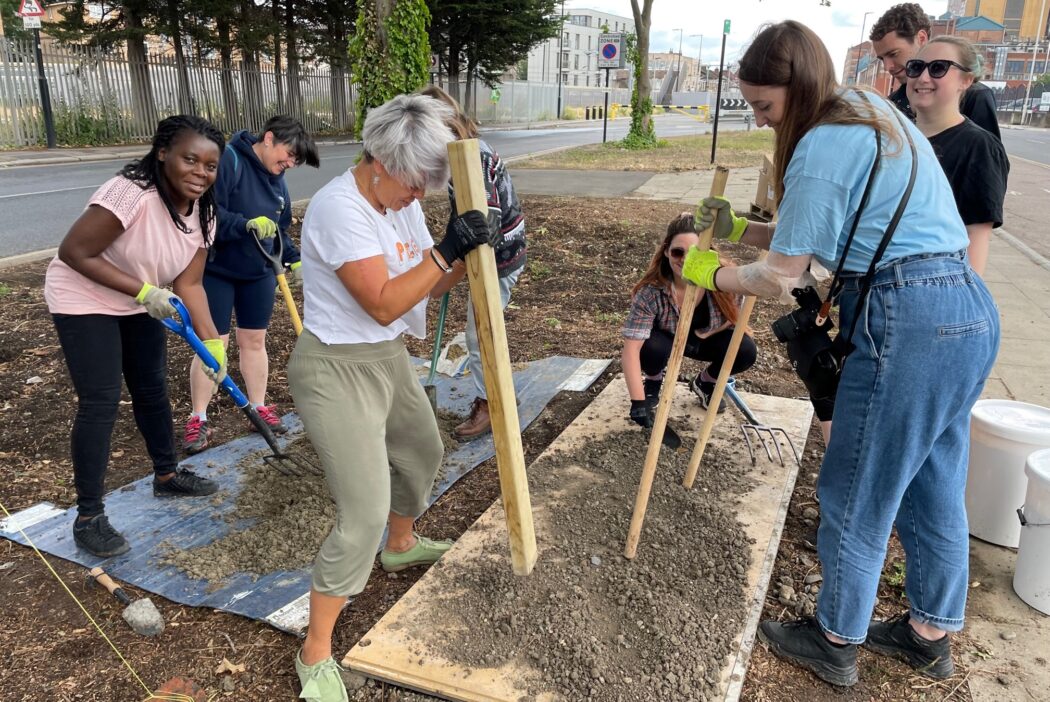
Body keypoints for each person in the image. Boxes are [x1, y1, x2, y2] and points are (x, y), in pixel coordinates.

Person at [681, 21, 999, 688]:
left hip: (907, 318)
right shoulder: (870, 111)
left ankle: (835, 640)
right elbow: (832, 231)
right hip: (964, 307)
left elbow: (783, 276)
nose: (762, 119)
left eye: (766, 107)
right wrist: (744, 228)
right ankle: (929, 632)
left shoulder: (822, 146)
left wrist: (713, 273)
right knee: (933, 480)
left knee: (857, 485)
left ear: (795, 92)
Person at [287, 94, 500, 702]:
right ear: (378, 159)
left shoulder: (397, 200)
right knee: (362, 512)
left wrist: (481, 246)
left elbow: (425, 277)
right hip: (334, 369)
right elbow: (382, 299)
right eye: (414, 184)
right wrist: (446, 251)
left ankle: (401, 546)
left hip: (385, 358)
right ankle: (316, 650)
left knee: (423, 452)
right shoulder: (338, 209)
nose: (419, 198)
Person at [44, 115, 227, 558]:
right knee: (102, 401)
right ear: (162, 153)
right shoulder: (131, 194)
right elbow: (74, 251)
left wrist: (213, 343)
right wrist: (145, 290)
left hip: (142, 300)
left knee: (151, 388)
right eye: (190, 160)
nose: (201, 173)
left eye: (210, 165)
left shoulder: (204, 212)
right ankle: (89, 516)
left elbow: (190, 284)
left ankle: (167, 476)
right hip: (84, 298)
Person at [183, 116, 320, 454]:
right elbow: (210, 212)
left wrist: (295, 258)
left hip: (259, 272)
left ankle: (258, 408)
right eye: (287, 154)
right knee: (213, 342)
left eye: (294, 162)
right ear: (269, 139)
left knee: (254, 340)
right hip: (218, 269)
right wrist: (245, 225)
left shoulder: (279, 180)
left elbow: (278, 227)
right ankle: (198, 417)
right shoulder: (230, 160)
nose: (288, 164)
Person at [419, 85, 527, 440]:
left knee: (482, 331)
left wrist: (462, 255)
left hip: (497, 257)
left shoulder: (473, 156)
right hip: (491, 256)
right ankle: (499, 395)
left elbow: (487, 222)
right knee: (483, 329)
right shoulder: (459, 155)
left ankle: (491, 404)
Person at [621, 212, 757, 427]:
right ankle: (654, 381)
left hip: (706, 339)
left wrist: (705, 334)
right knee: (651, 349)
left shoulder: (725, 280)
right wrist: (636, 401)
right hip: (667, 340)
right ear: (666, 251)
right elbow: (630, 350)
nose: (685, 259)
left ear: (707, 252)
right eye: (677, 252)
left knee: (744, 350)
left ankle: (705, 383)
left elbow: (736, 316)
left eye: (694, 252)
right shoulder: (651, 292)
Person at [907, 36, 1009, 276]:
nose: (923, 77)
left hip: (935, 285)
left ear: (966, 80)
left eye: (938, 68)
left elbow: (976, 235)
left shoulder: (979, 146)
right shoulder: (896, 137)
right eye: (916, 67)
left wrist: (969, 302)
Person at [870, 3, 1001, 140]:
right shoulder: (894, 102)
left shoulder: (975, 96)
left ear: (921, 38)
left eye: (893, 54)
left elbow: (988, 153)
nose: (887, 66)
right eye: (882, 59)